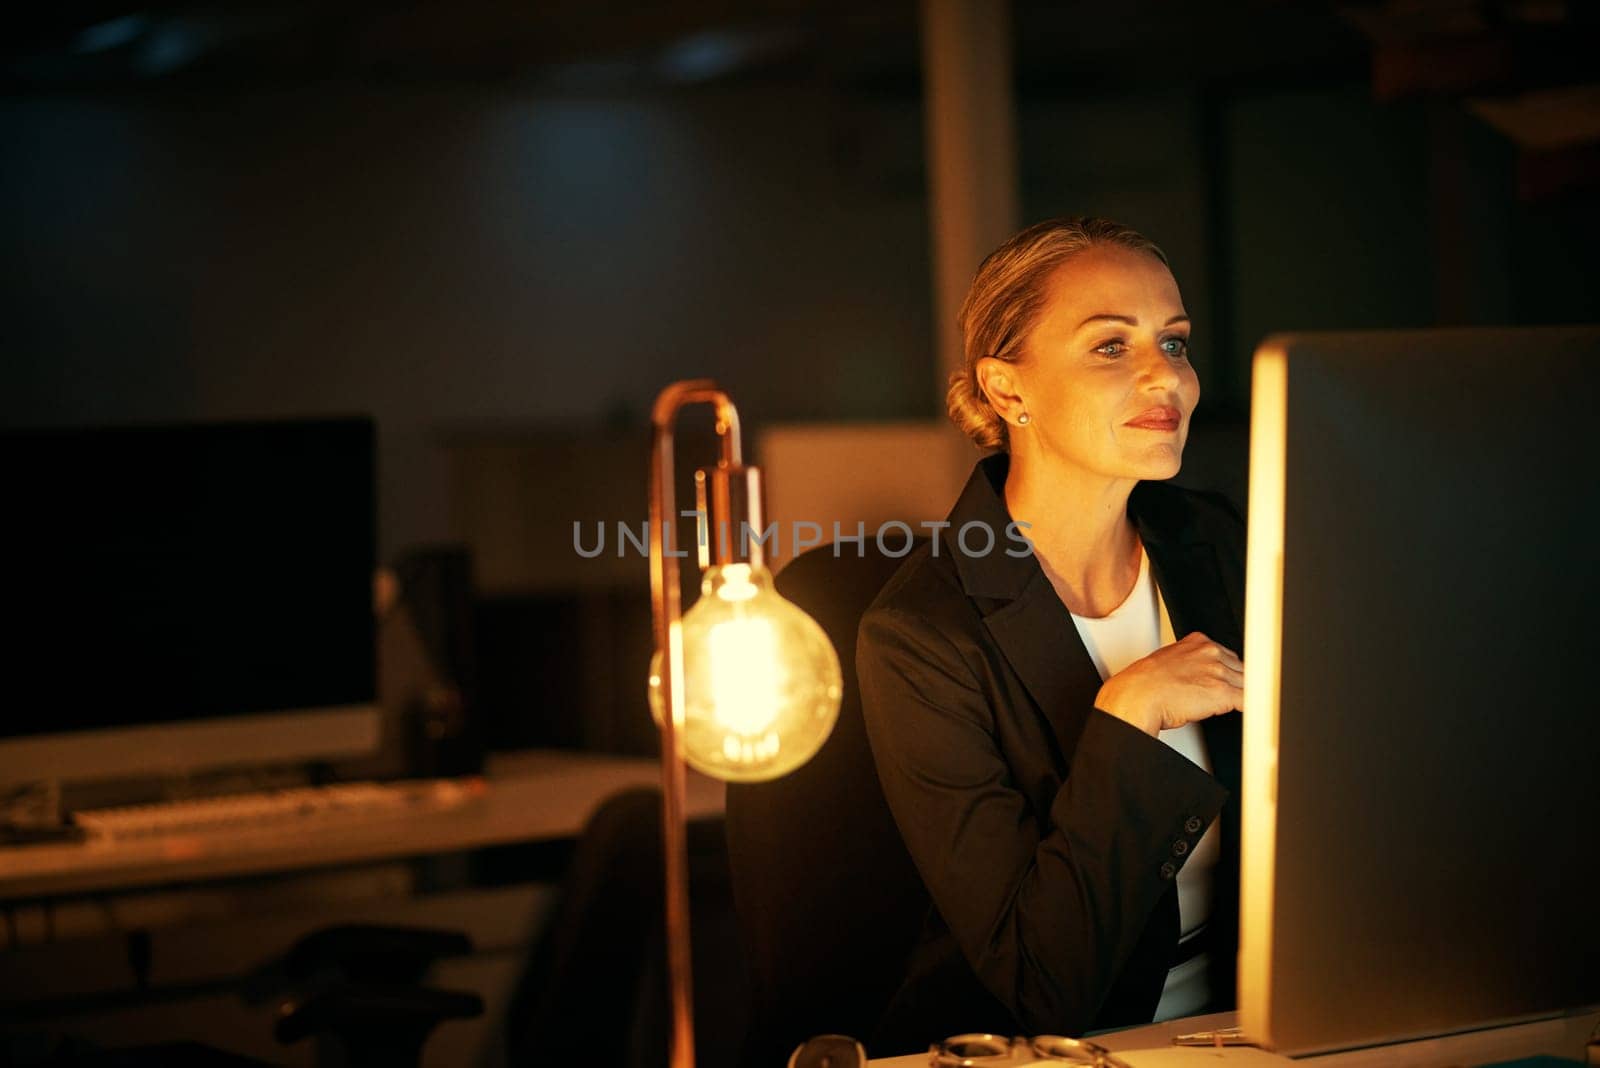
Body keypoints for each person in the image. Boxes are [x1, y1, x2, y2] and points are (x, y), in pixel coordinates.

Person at [856, 217, 1246, 1047]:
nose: (1165, 378)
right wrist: (1128, 719)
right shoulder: (921, 637)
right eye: (1112, 348)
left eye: (1174, 344)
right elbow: (1046, 986)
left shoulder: (1223, 545)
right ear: (1007, 389)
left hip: (1248, 1033)